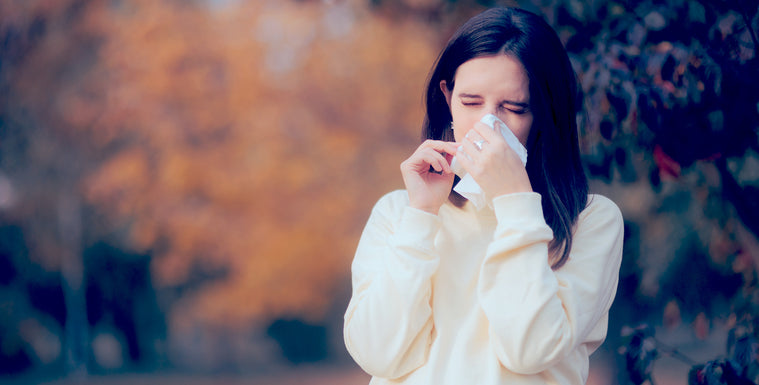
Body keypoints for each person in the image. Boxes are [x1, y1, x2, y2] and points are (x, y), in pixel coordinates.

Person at [343, 6, 624, 385]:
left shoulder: (590, 220)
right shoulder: (399, 212)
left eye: (514, 108)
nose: (488, 125)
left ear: (544, 113)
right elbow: (377, 355)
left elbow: (529, 351)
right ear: (448, 97)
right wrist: (422, 216)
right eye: (471, 103)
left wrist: (515, 202)